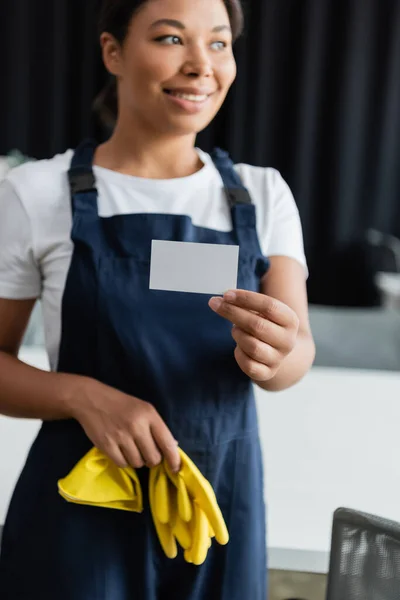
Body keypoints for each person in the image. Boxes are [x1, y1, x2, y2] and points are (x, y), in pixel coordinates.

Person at [0, 0, 315, 598]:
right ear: (113, 52)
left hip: (219, 506)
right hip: (80, 507)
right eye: (172, 39)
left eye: (219, 44)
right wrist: (81, 395)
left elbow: (296, 353)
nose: (201, 64)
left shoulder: (263, 194)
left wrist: (277, 356)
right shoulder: (35, 193)